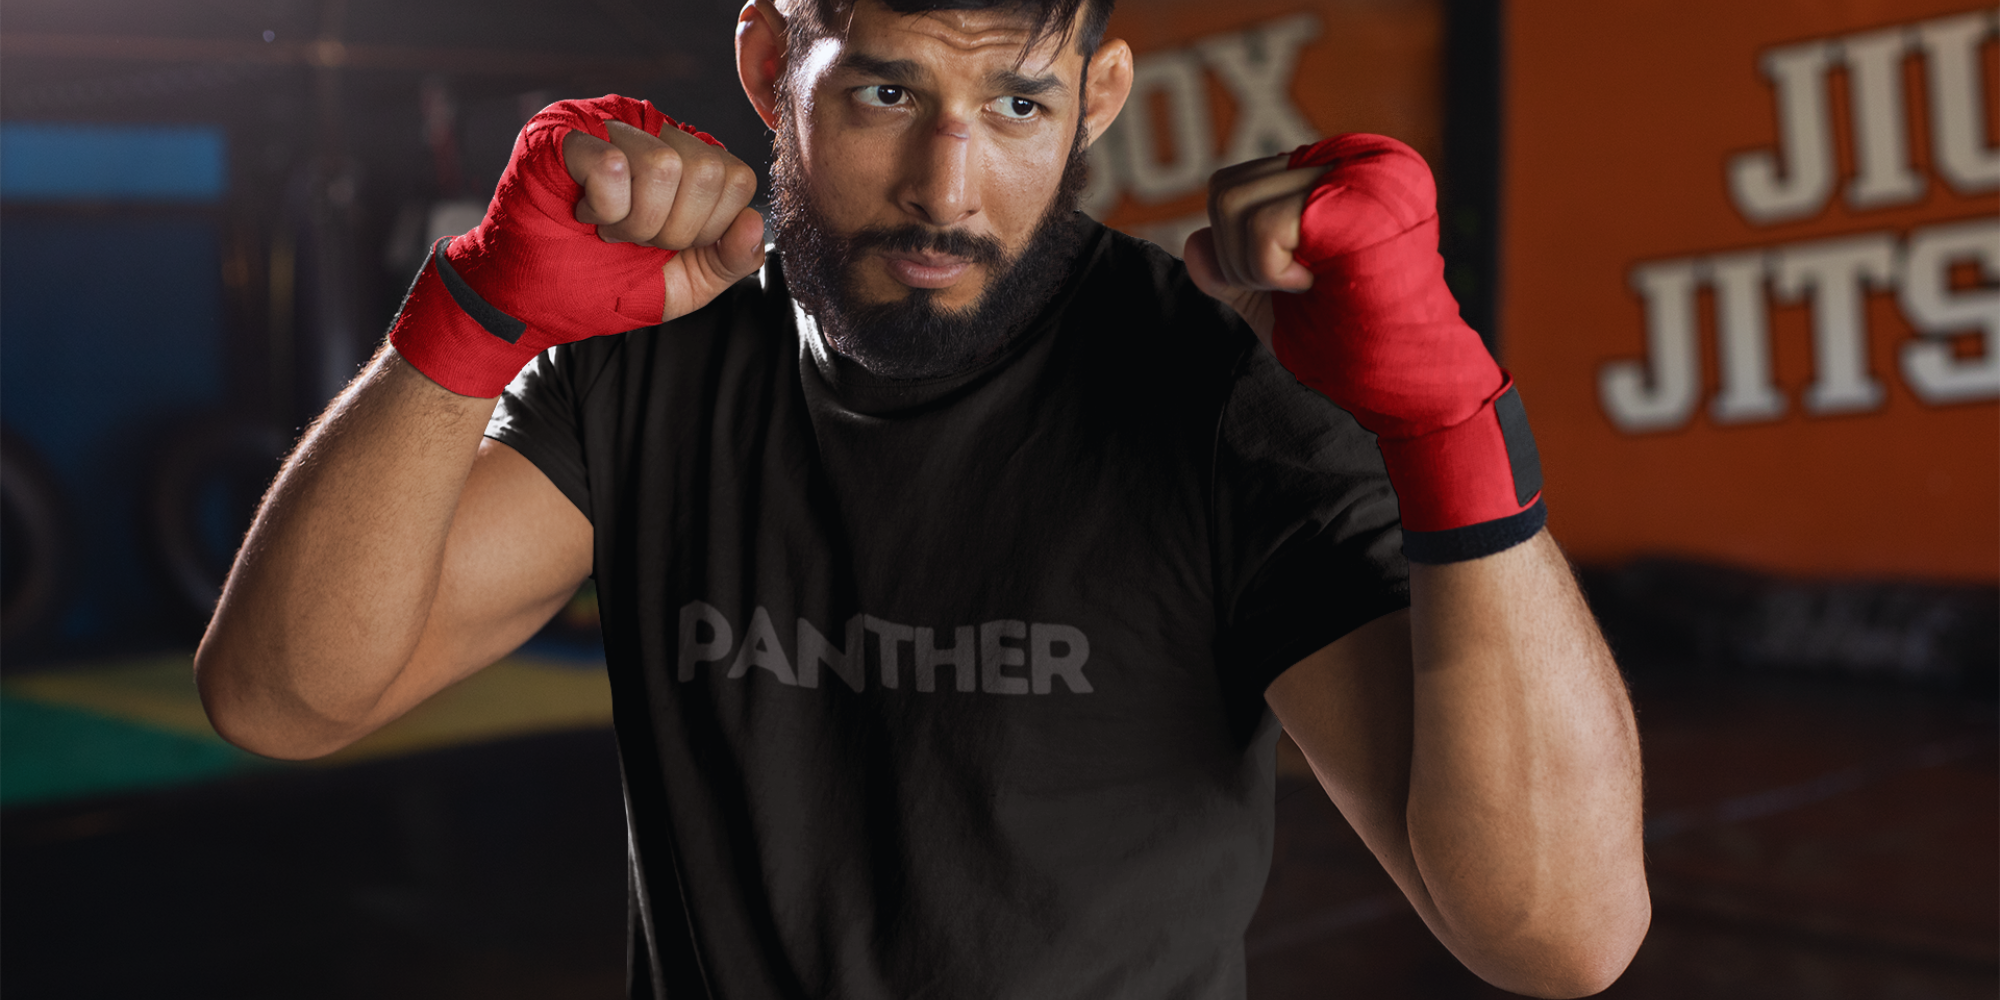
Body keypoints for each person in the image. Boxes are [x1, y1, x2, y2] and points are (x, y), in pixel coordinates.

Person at [195, 0, 1650, 995]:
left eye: (1018, 103)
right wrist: (467, 320)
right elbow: (286, 698)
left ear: (1098, 92)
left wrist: (1455, 429)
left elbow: (1560, 940)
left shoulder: (1210, 398)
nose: (949, 187)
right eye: (889, 92)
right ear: (774, 66)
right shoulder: (656, 358)